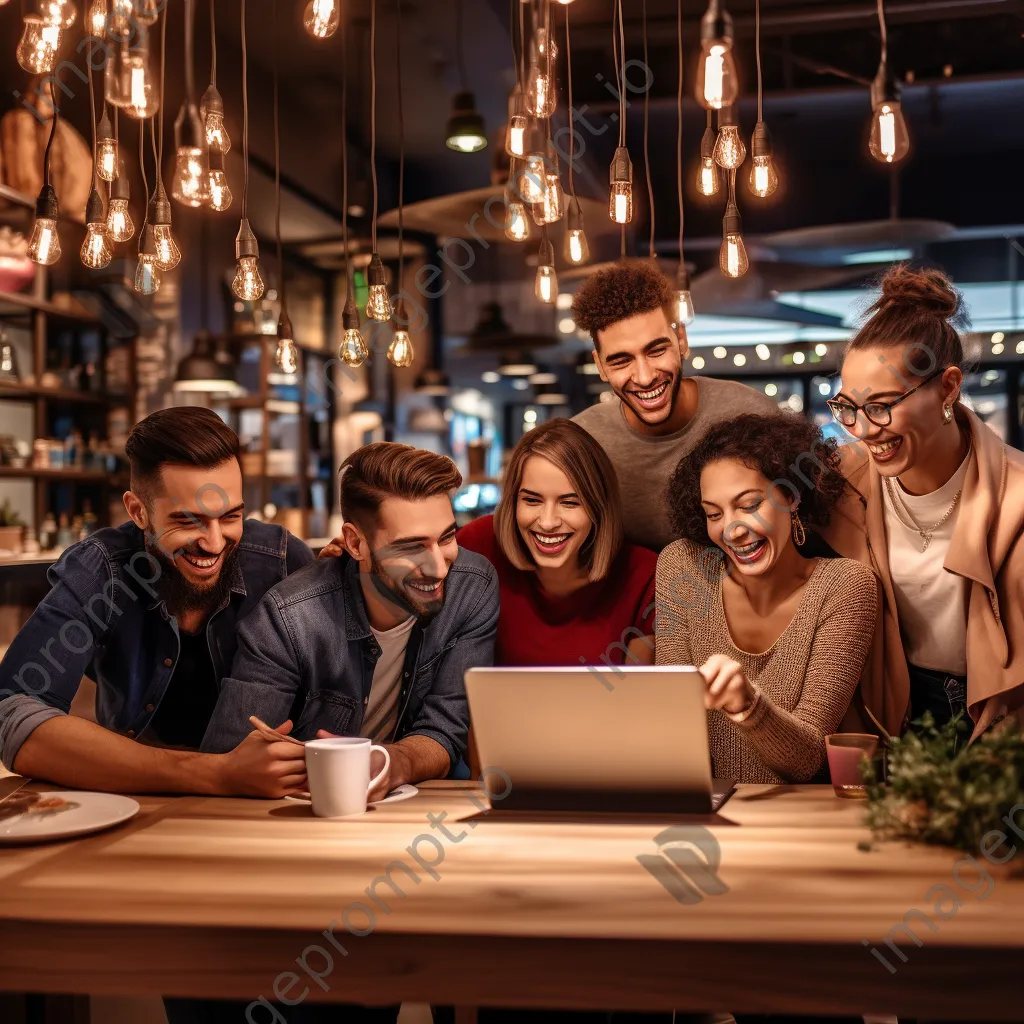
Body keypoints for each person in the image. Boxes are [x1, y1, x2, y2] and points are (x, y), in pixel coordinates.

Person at [0, 406, 312, 797]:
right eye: (187, 521)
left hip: (272, 809)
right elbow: (11, 713)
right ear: (138, 511)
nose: (214, 543)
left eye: (231, 516)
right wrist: (216, 774)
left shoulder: (282, 562)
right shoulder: (102, 573)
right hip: (135, 804)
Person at [201, 442, 499, 801]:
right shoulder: (290, 615)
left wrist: (390, 762)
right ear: (356, 543)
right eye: (410, 547)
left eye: (447, 537)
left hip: (414, 808)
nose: (438, 567)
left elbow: (446, 729)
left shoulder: (472, 586)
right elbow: (230, 761)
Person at [821, 264, 1024, 741]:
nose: (864, 430)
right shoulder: (839, 483)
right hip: (892, 710)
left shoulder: (1015, 495)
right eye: (847, 407)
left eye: (882, 405)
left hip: (998, 713)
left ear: (948, 387)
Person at [656, 413, 880, 784]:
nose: (732, 529)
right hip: (702, 812)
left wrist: (747, 704)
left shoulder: (845, 587)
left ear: (791, 497)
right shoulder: (684, 567)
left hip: (797, 821)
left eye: (749, 505)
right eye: (714, 513)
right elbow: (669, 723)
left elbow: (806, 760)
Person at [571, 260, 776, 552]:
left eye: (656, 350)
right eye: (621, 360)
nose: (644, 377)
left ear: (681, 340)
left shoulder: (751, 413)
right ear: (600, 366)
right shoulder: (583, 442)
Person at [457, 418, 656, 669]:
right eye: (532, 500)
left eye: (570, 502)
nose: (548, 522)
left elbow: (638, 697)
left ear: (599, 507)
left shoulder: (643, 575)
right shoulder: (477, 544)